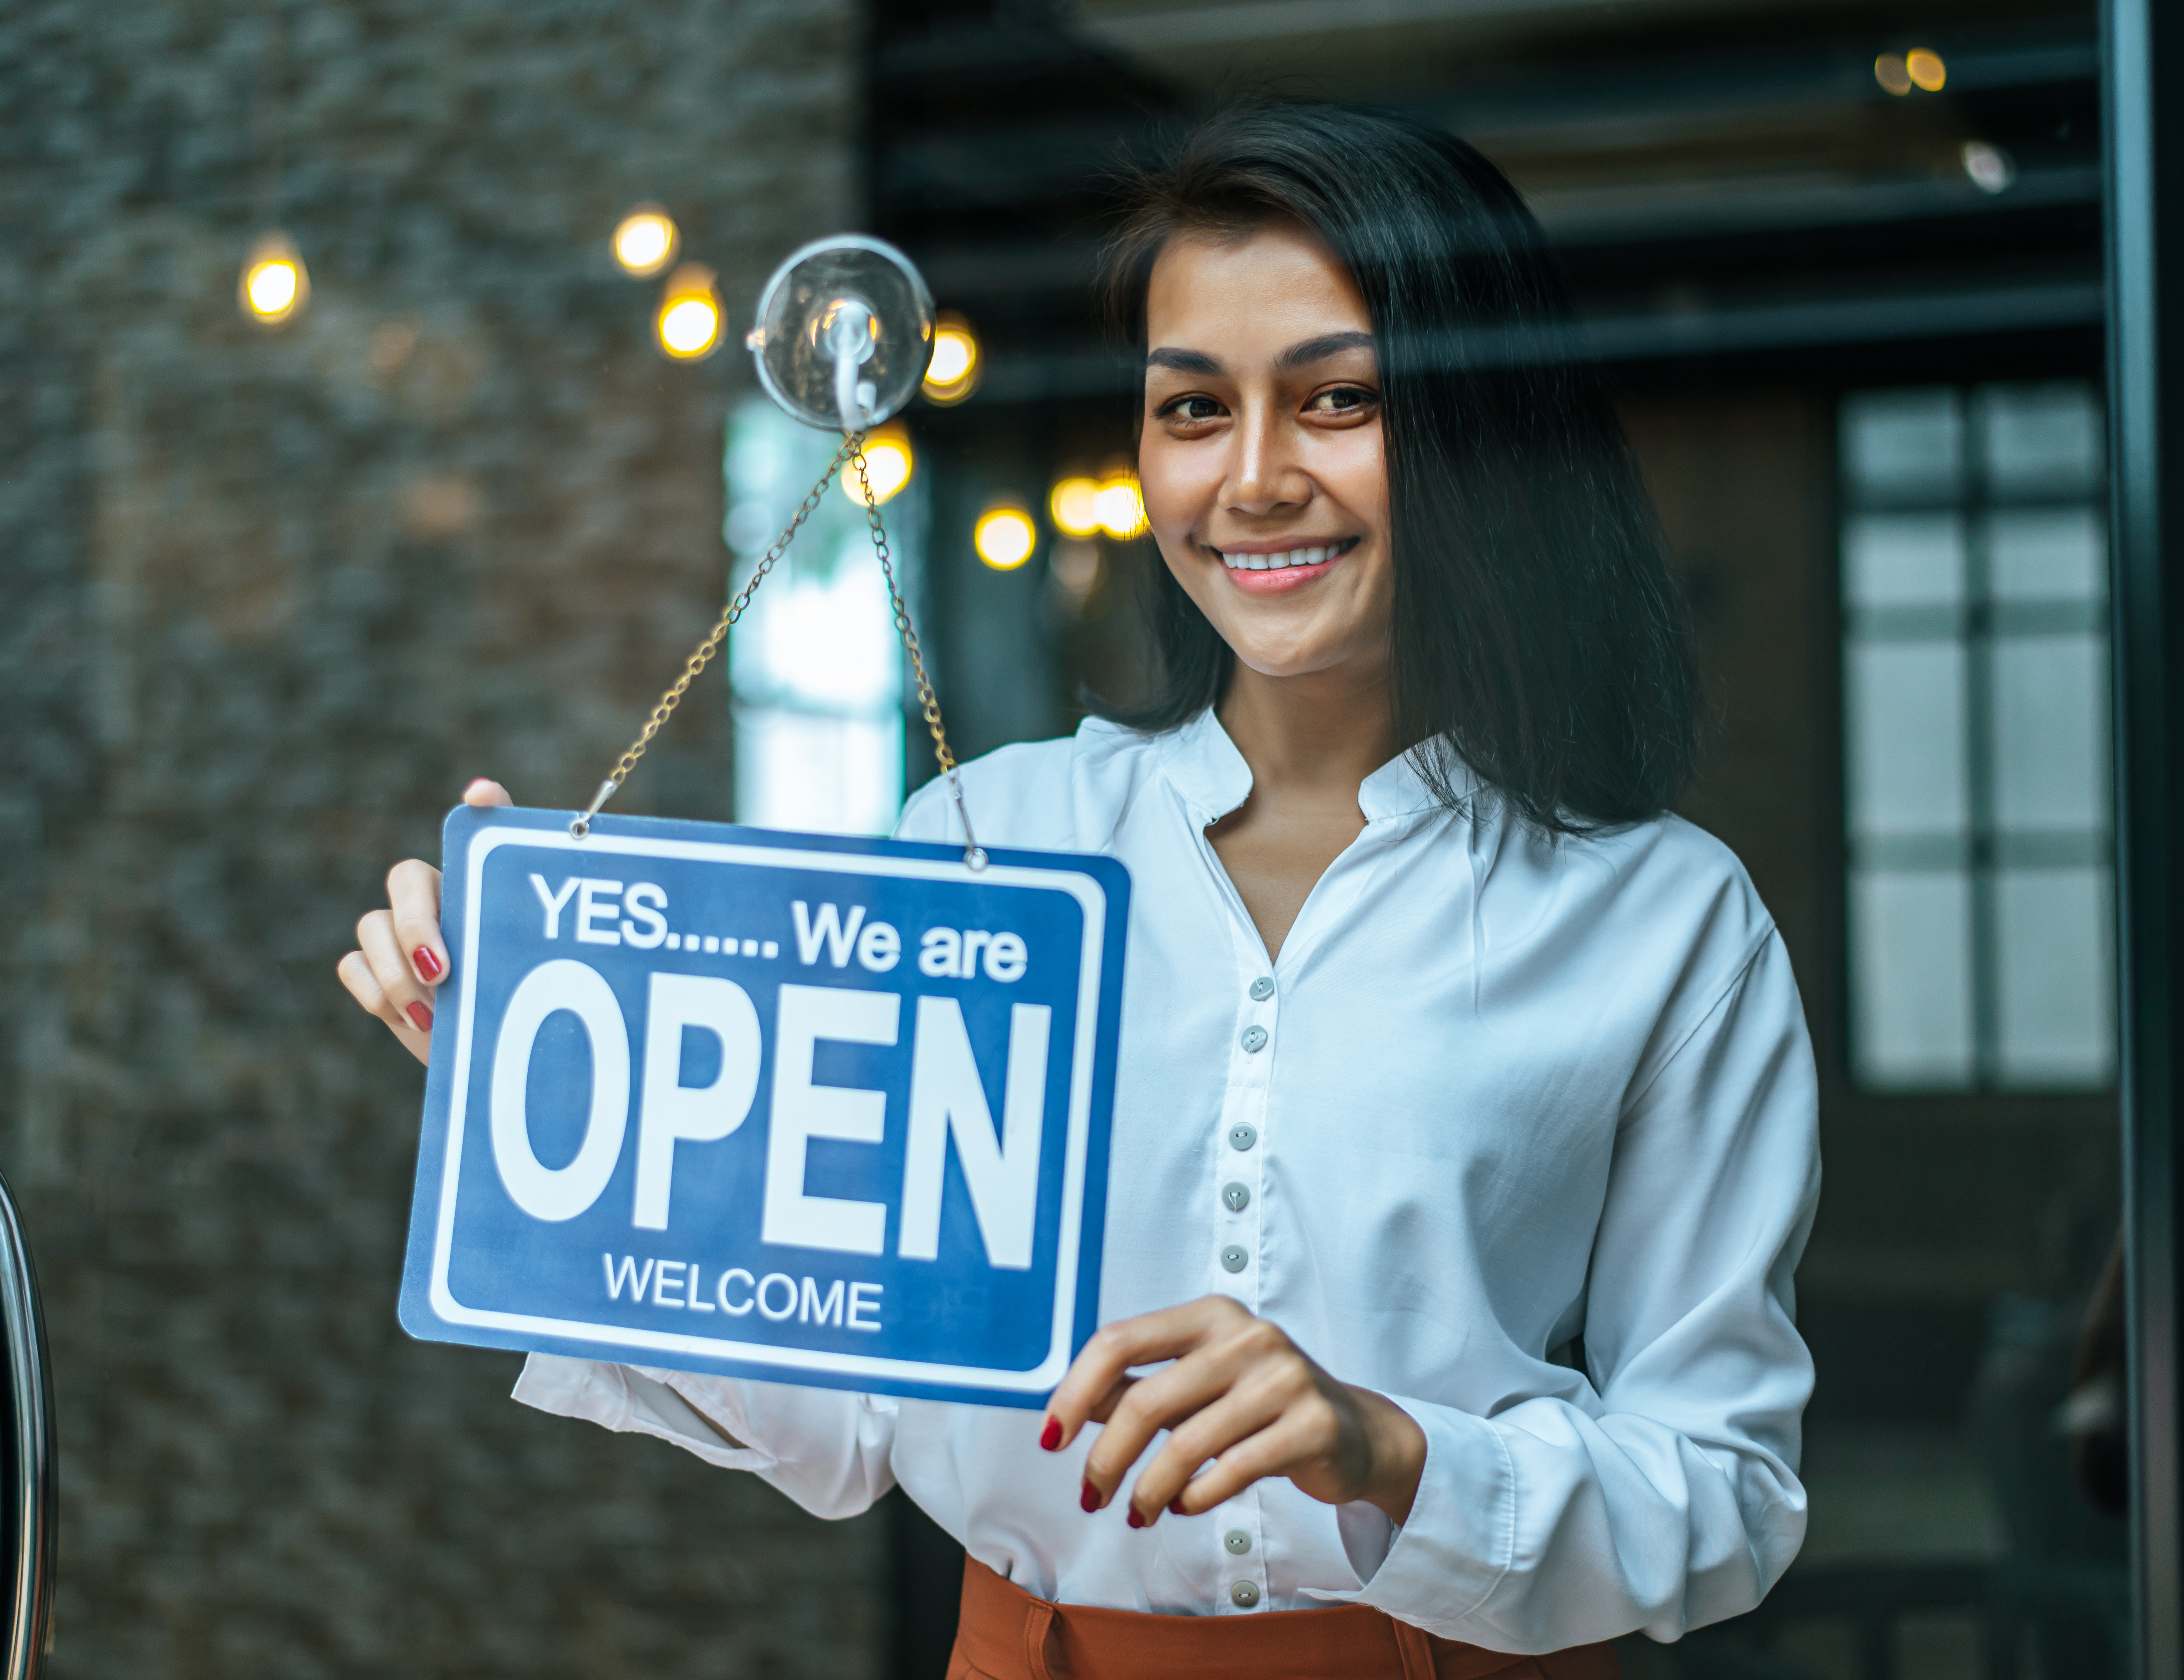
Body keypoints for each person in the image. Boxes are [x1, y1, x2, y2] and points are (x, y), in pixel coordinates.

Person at [339, 102, 1818, 1680]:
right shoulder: (989, 837)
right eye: (1192, 409)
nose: (1252, 480)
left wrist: (1391, 1449)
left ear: (1484, 426)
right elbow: (843, 1424)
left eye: (1336, 400)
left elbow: (1727, 1492)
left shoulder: (1665, 921)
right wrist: (537, 1102)